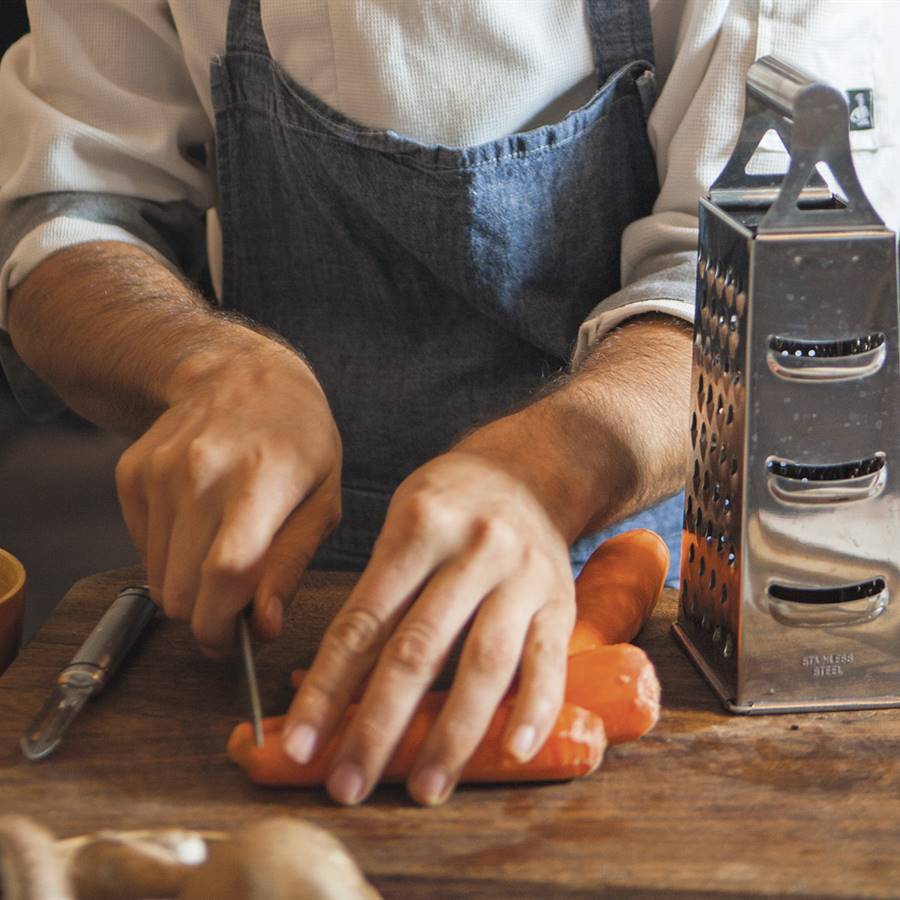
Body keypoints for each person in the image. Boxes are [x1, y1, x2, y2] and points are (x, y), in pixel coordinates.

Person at [0, 1, 896, 807]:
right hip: (274, 618)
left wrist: (547, 470)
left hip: (654, 598)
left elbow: (770, 276)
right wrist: (203, 365)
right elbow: (69, 214)